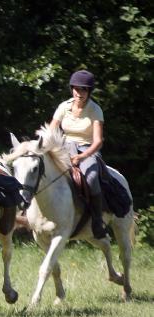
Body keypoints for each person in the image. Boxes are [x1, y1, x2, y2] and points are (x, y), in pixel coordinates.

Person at [48, 69, 108, 239]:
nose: (78, 93)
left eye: (83, 89)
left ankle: (97, 220)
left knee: (90, 179)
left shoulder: (95, 110)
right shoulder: (63, 107)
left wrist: (82, 157)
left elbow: (98, 141)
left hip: (87, 150)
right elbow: (51, 131)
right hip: (64, 148)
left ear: (89, 92)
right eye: (76, 88)